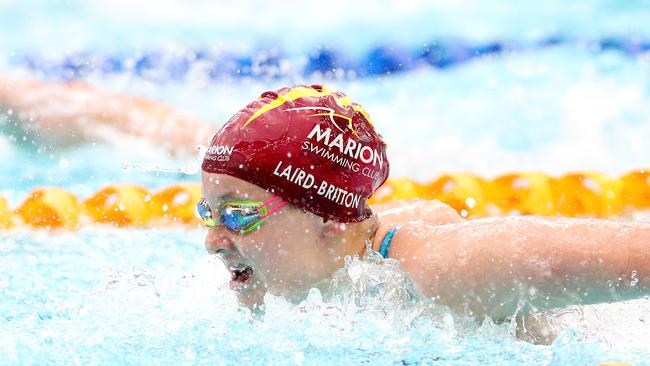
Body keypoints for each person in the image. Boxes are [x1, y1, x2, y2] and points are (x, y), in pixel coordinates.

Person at [1, 75, 649, 324]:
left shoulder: (436, 267)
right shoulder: (309, 260)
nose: (211, 239)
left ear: (331, 221)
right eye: (210, 211)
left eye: (238, 215)